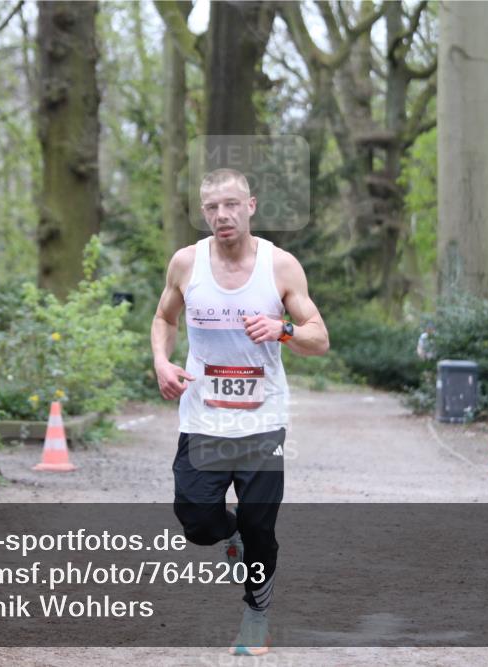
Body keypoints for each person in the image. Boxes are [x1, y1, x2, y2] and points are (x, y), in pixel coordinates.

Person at [151, 168, 329, 656]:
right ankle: (231, 540)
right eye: (212, 207)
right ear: (203, 211)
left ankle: (256, 615)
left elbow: (319, 337)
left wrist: (284, 330)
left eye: (231, 204)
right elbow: (165, 317)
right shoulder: (187, 264)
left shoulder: (281, 266)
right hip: (203, 417)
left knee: (260, 527)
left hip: (261, 419)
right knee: (197, 519)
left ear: (251, 205)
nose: (221, 215)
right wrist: (162, 361)